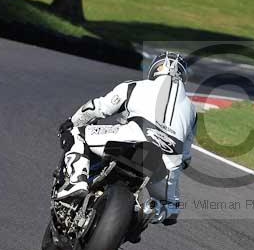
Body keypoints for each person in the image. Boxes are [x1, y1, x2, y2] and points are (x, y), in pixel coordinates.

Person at [56, 51, 196, 226]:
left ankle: (76, 182)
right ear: (183, 77)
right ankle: (148, 214)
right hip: (168, 159)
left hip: (132, 137)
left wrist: (72, 122)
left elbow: (96, 108)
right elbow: (186, 158)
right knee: (172, 208)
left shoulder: (134, 86)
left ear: (154, 70)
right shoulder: (192, 111)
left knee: (76, 134)